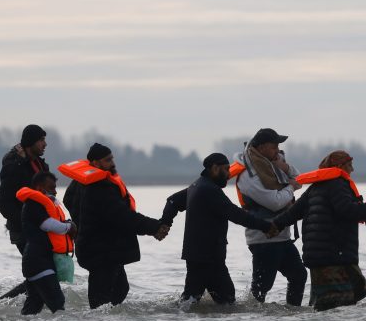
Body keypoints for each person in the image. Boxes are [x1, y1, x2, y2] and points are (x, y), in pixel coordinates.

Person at [161, 153, 277, 305]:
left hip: (197, 255)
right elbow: (235, 214)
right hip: (208, 257)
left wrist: (165, 222)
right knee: (226, 301)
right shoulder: (209, 190)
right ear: (215, 168)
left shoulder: (197, 186)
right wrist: (266, 226)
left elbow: (172, 201)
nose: (229, 174)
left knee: (192, 300)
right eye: (226, 169)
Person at [272, 151, 366, 310]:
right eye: (350, 165)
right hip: (333, 256)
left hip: (320, 256)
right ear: (339, 166)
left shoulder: (316, 188)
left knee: (328, 304)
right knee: (338, 305)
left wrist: (273, 226)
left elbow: (292, 213)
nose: (353, 170)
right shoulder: (337, 184)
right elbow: (348, 211)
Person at [68, 143, 168, 309]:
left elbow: (69, 200)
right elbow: (124, 216)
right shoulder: (99, 187)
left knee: (121, 289)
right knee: (101, 300)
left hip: (100, 248)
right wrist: (155, 227)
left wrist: (84, 221)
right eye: (107, 160)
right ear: (94, 163)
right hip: (100, 251)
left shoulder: (81, 182)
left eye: (112, 158)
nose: (112, 163)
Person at [233, 128, 307, 306]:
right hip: (263, 239)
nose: (277, 150)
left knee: (299, 275)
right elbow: (274, 202)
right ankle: (253, 319)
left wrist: (286, 167)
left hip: (282, 236)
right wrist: (291, 188)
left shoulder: (271, 163)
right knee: (262, 287)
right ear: (262, 147)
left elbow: (299, 178)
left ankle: (292, 312)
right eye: (274, 146)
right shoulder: (248, 174)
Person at [0, 124, 49, 300]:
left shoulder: (39, 164)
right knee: (42, 273)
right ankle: (4, 303)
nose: (45, 144)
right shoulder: (14, 166)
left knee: (43, 273)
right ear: (30, 142)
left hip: (40, 227)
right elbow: (3, 202)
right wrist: (26, 222)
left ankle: (25, 306)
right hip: (23, 229)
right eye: (41, 140)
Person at [16, 171, 76, 315]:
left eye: (55, 188)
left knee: (34, 305)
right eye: (51, 188)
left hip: (39, 261)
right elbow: (47, 225)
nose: (55, 191)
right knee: (57, 302)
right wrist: (69, 227)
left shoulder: (43, 204)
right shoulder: (34, 203)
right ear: (39, 188)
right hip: (38, 262)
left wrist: (67, 224)